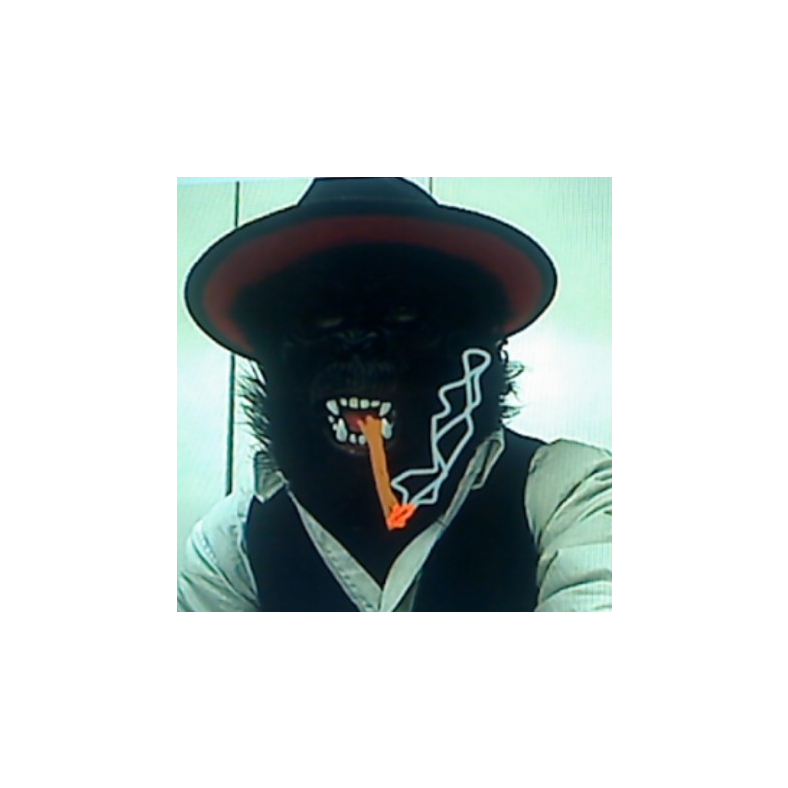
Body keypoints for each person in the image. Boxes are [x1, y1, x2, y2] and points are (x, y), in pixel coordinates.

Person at [178, 177, 612, 612]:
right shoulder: (231, 544)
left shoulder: (568, 491)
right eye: (322, 318)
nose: (360, 341)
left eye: (404, 313)